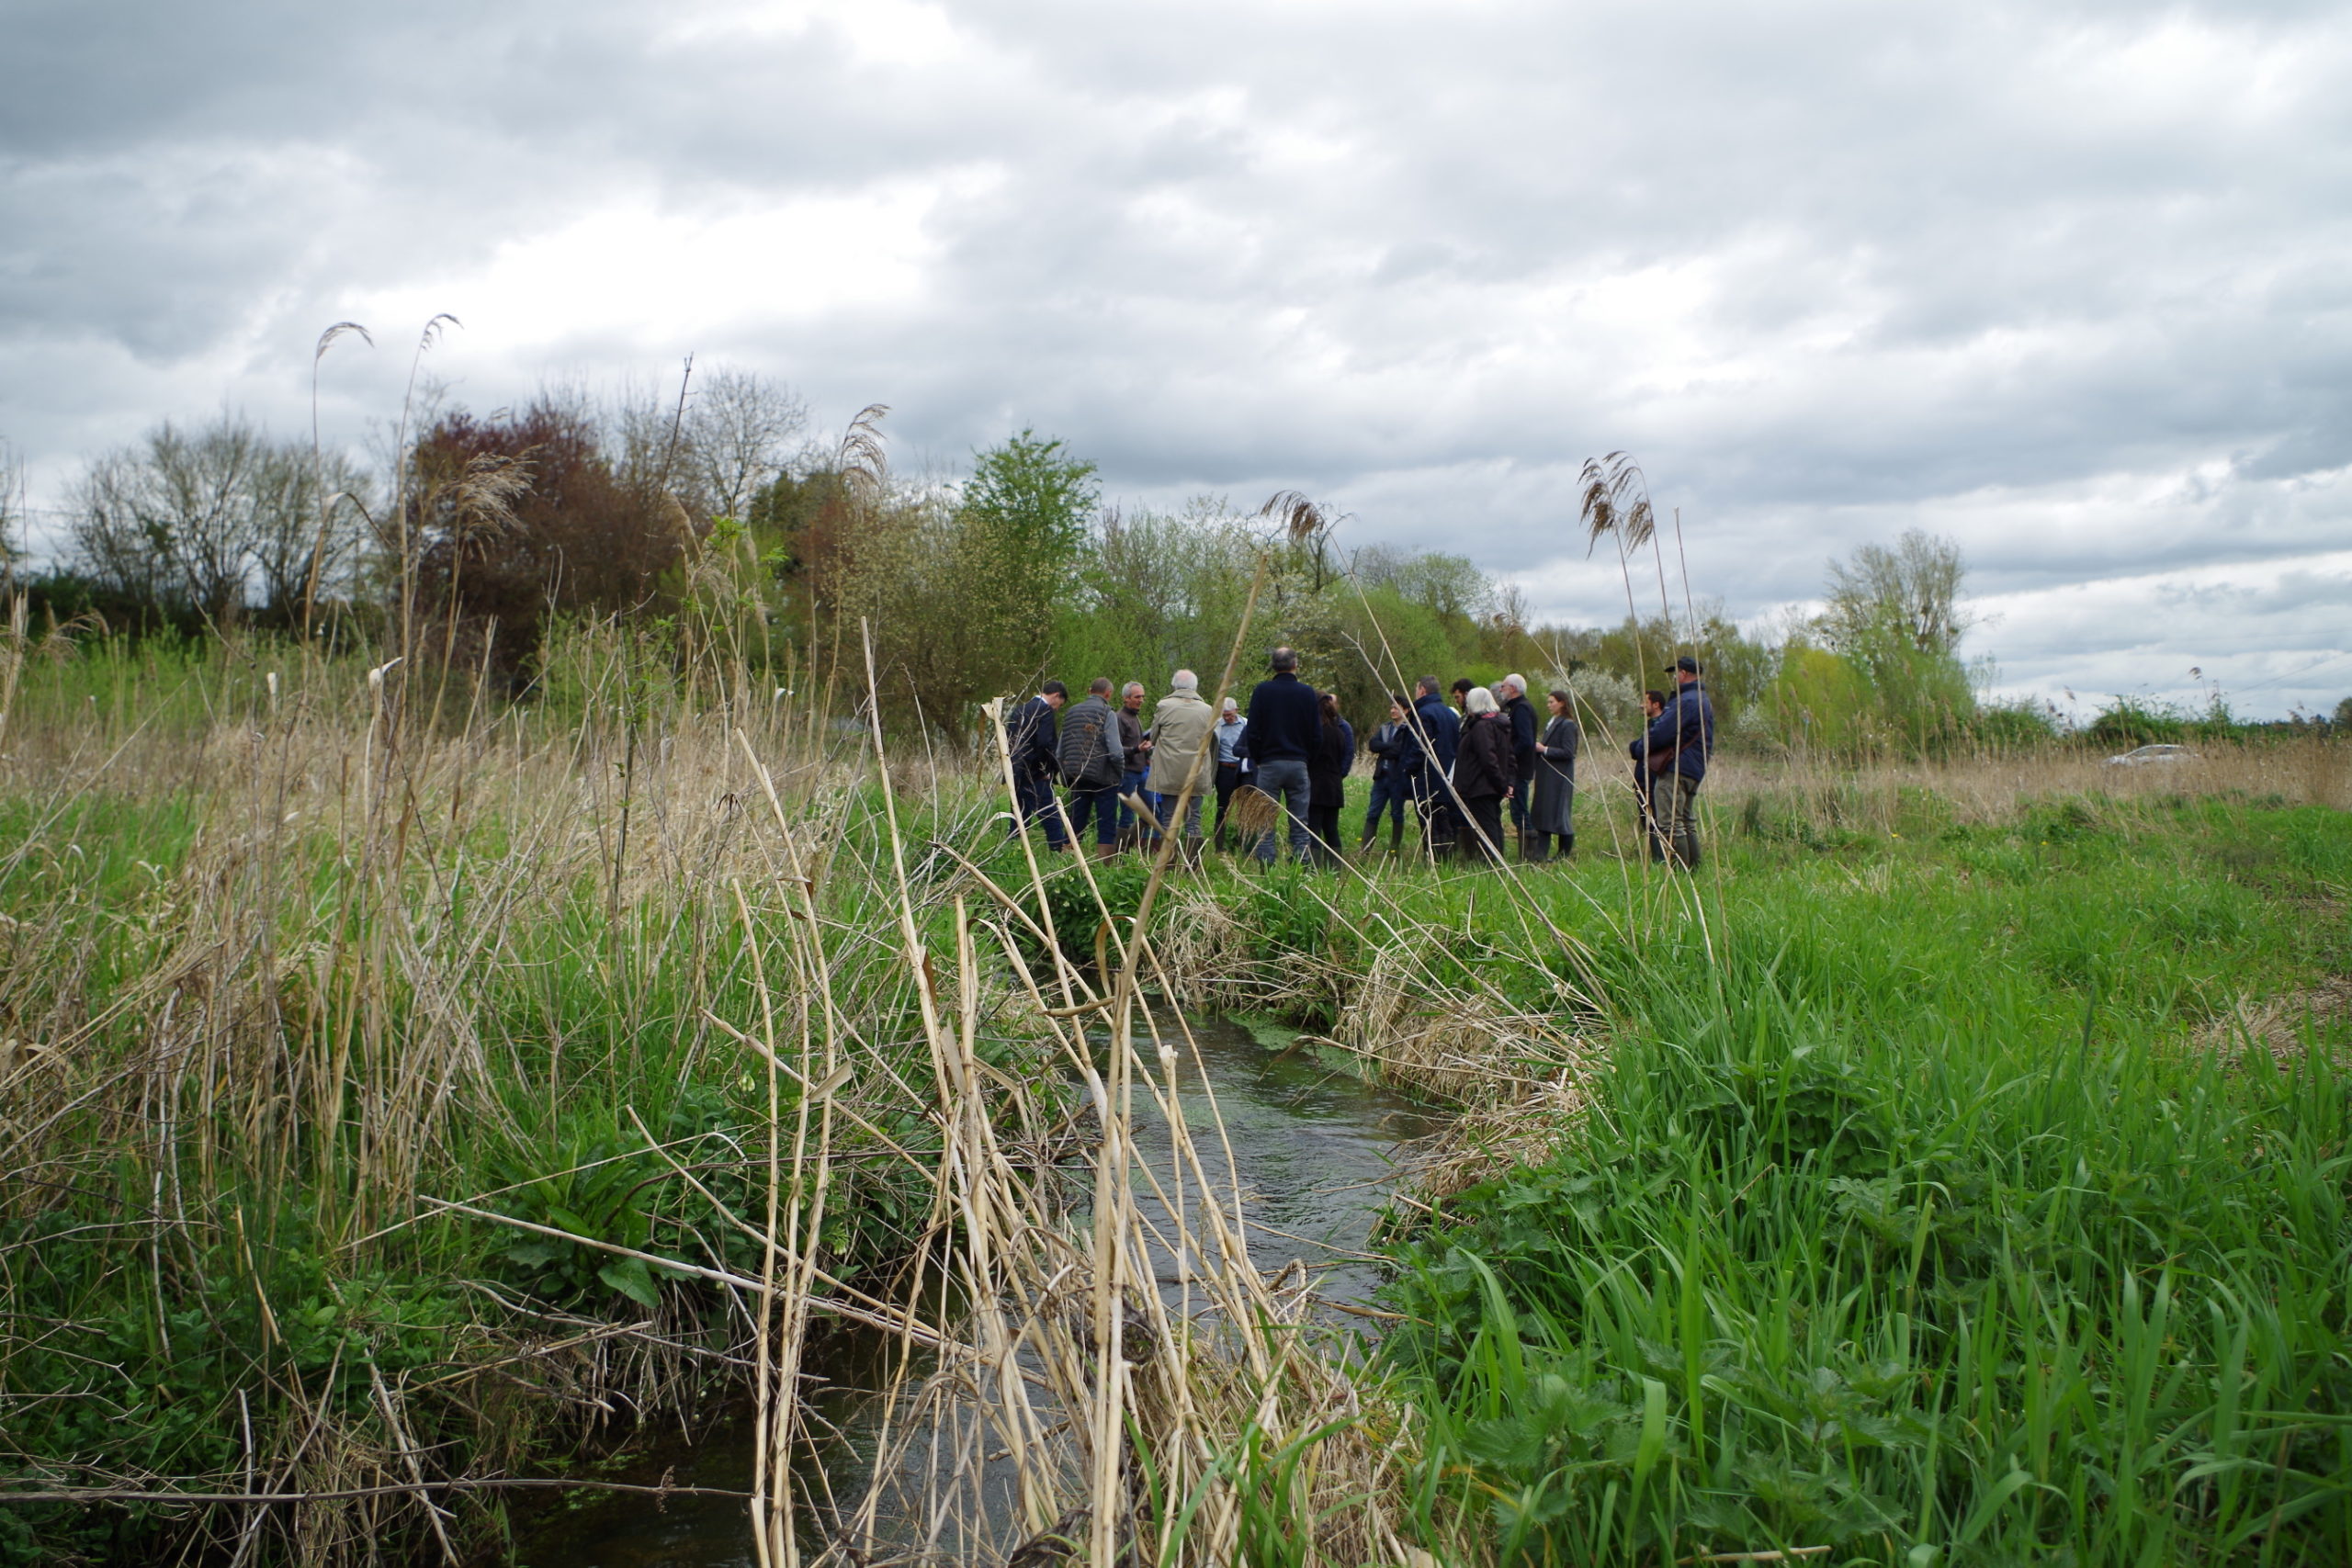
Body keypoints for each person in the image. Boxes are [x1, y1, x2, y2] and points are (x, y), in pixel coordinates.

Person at [1239, 646, 1319, 866]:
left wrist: (1259, 757)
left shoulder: (1262, 691)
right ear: (1295, 664)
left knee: (1265, 819)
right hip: (1298, 762)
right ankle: (1302, 866)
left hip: (1269, 762)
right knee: (1300, 820)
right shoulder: (1307, 693)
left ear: (1273, 666)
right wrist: (1306, 758)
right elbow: (1316, 734)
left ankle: (1267, 866)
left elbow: (1252, 731)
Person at [1645, 657, 1716, 867]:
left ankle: (1679, 874)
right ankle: (1694, 871)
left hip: (1677, 768)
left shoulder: (1686, 700)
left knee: (1670, 824)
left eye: (1676, 673)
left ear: (1683, 674)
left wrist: (1639, 748)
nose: (1674, 678)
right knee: (1686, 821)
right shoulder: (1703, 699)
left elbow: (1662, 733)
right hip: (1694, 768)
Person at [1144, 669, 1216, 853]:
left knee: (1168, 818)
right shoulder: (1208, 710)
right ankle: (1193, 863)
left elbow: (1152, 737)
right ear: (1195, 687)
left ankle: (1168, 863)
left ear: (1174, 686)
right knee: (1194, 820)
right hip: (1196, 774)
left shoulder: (1164, 706)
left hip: (1170, 772)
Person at [1057, 677, 1125, 860]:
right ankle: (1105, 864)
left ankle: (1067, 861)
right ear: (1108, 694)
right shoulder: (1107, 713)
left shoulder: (1071, 712)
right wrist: (1120, 773)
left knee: (1075, 821)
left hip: (1076, 775)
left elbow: (1059, 751)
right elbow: (1116, 752)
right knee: (1107, 823)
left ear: (1089, 691)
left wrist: (1065, 775)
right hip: (1103, 777)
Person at [1399, 674, 1461, 860]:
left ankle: (1434, 858)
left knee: (1429, 820)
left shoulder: (1423, 714)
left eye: (1416, 690)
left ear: (1422, 691)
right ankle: (1447, 857)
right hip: (1447, 775)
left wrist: (1407, 767)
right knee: (1443, 818)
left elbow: (1420, 746)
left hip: (1428, 777)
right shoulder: (1450, 714)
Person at [1453, 685, 1514, 864]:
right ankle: (1496, 861)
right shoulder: (1499, 724)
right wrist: (1507, 783)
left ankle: (1491, 863)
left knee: (1487, 827)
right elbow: (1509, 757)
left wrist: (1502, 785)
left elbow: (1488, 759)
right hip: (1490, 786)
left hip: (1480, 787)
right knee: (1493, 824)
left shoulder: (1481, 727)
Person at [1006, 681, 1069, 852]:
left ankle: (1011, 851)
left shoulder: (1019, 709)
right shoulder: (1045, 710)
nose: (1057, 708)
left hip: (1016, 772)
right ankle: (1057, 851)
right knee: (1050, 815)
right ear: (1056, 695)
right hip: (1035, 773)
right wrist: (1045, 769)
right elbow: (1044, 743)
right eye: (1059, 704)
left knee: (1018, 816)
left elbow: (1009, 741)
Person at [1526, 687, 1579, 862]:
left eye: (1552, 702)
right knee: (1544, 814)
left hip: (1559, 777)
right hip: (1548, 776)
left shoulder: (1568, 724)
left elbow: (1569, 752)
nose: (1548, 705)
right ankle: (1540, 855)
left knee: (1559, 815)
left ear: (1562, 703)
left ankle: (1563, 854)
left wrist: (1544, 749)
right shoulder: (1554, 722)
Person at [1358, 694, 1410, 854]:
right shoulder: (1385, 727)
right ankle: (1365, 849)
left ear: (1406, 710)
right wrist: (1389, 747)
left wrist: (1384, 748)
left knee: (1396, 813)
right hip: (1381, 777)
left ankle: (1394, 849)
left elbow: (1400, 751)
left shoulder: (1408, 729)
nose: (1392, 710)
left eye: (1396, 708)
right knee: (1373, 811)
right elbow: (1373, 745)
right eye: (1392, 707)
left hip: (1397, 778)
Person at [1306, 691, 1354, 866]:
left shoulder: (1313, 733)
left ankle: (1313, 868)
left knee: (1314, 829)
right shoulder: (1339, 732)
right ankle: (1335, 868)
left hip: (1315, 786)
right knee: (1331, 829)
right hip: (1334, 786)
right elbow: (1345, 756)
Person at [1497, 674, 1538, 857]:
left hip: (1520, 769)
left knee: (1519, 811)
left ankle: (1529, 855)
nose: (1500, 689)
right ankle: (1526, 854)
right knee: (1517, 810)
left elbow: (1526, 740)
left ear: (1513, 688)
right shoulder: (1517, 707)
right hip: (1519, 767)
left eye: (1503, 686)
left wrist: (1509, 756)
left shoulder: (1521, 709)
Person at [1631, 688, 1670, 862]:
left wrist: (1637, 747)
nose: (1641, 706)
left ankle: (1660, 858)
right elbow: (1637, 748)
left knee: (1655, 821)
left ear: (1656, 704)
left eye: (1645, 702)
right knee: (1647, 820)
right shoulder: (1650, 724)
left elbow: (1641, 749)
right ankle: (1657, 856)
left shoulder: (1662, 726)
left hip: (1653, 780)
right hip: (1642, 780)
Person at [1115, 681, 1151, 852]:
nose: (1141, 700)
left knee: (1152, 811)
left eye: (1143, 697)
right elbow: (1116, 748)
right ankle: (1121, 852)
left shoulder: (1135, 717)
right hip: (1126, 773)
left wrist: (1147, 754)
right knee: (1127, 814)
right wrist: (1137, 749)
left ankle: (1130, 843)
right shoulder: (1120, 718)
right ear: (1126, 698)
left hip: (1141, 771)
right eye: (1137, 697)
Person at [1210, 697, 1248, 851]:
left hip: (1243, 770)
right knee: (1223, 806)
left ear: (1236, 711)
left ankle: (1242, 842)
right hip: (1224, 769)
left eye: (1230, 715)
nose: (1227, 718)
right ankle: (1219, 845)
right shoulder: (1216, 726)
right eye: (1225, 715)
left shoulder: (1246, 724)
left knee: (1244, 807)